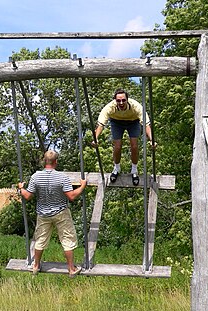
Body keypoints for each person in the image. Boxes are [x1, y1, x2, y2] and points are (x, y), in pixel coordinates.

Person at [18, 150, 87, 278]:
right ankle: (71, 268)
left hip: (43, 213)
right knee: (67, 239)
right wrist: (82, 186)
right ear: (56, 162)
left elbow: (27, 196)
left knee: (40, 239)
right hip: (61, 212)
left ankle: (36, 265)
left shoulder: (35, 176)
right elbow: (71, 196)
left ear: (44, 161)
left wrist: (21, 188)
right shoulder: (62, 177)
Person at [92, 88, 155, 186]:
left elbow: (146, 124)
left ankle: (134, 171)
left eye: (123, 100)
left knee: (134, 146)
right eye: (118, 101)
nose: (121, 103)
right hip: (116, 122)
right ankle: (116, 168)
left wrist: (152, 140)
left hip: (133, 122)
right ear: (115, 100)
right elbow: (100, 124)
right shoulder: (109, 107)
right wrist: (95, 138)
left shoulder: (136, 106)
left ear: (127, 99)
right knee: (117, 146)